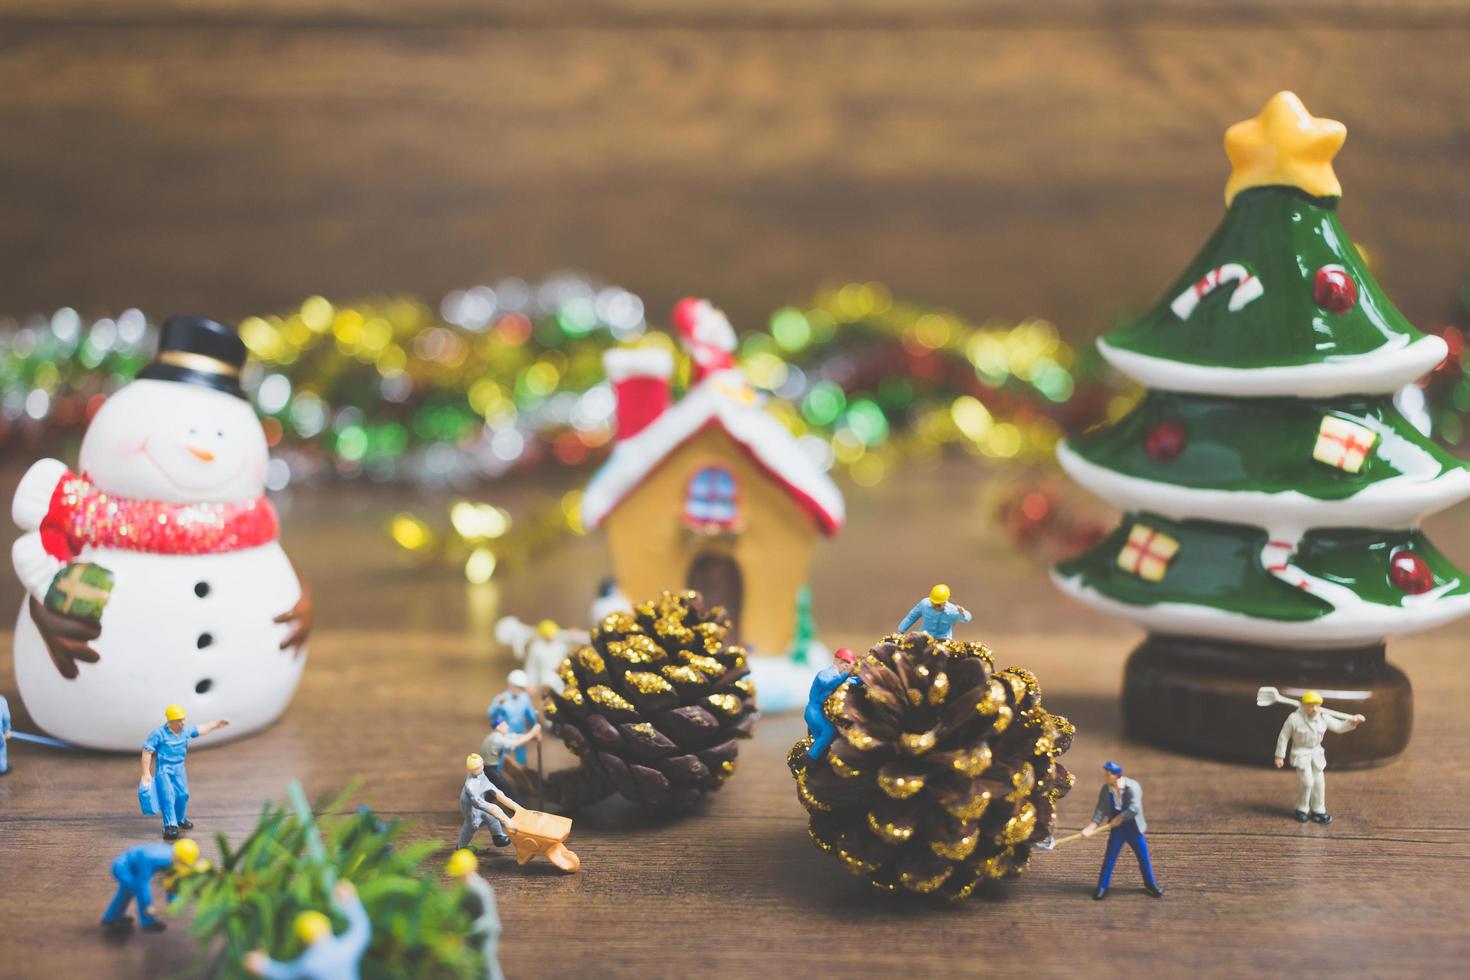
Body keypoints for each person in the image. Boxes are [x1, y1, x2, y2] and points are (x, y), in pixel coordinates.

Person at [244, 881, 370, 980]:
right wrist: (350, 901)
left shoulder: (310, 963)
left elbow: (288, 974)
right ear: (327, 928)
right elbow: (362, 929)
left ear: (304, 940)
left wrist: (264, 966)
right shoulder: (345, 948)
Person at [1274, 689, 1365, 824]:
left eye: (1317, 705)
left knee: (1319, 783)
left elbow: (1339, 727)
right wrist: (1279, 755)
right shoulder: (1295, 719)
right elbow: (1284, 737)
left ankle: (1318, 811)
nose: (1314, 708)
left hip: (1316, 755)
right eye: (1311, 705)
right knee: (1307, 782)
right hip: (1301, 754)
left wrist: (1353, 722)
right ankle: (1301, 809)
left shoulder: (1323, 717)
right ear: (1304, 705)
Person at [140, 704, 230, 839]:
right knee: (168, 795)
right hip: (164, 770)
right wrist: (146, 773)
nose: (182, 722)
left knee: (183, 795)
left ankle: (180, 818)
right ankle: (170, 825)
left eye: (183, 719)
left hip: (179, 768)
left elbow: (200, 729)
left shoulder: (185, 731)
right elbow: (147, 752)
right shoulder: (158, 734)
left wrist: (216, 724)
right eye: (179, 720)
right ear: (171, 721)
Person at [1081, 761, 1163, 901]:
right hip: (1117, 830)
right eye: (1105, 775)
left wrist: (1120, 818)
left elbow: (1134, 807)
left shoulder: (1133, 787)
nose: (1105, 778)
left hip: (1133, 828)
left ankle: (1150, 883)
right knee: (1110, 858)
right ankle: (1102, 886)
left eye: (1107, 775)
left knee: (1143, 856)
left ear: (1116, 775)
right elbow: (1100, 809)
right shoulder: (1106, 790)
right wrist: (1092, 826)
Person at [101, 838, 202, 933]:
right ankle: (148, 922)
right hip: (122, 867)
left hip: (133, 867)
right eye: (182, 862)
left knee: (126, 893)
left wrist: (173, 902)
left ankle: (111, 918)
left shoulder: (174, 856)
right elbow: (143, 883)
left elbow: (171, 880)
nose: (182, 866)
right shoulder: (151, 858)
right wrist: (148, 905)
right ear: (177, 857)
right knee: (137, 889)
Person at [447, 849, 504, 980]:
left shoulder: (481, 890)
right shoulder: (464, 889)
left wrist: (470, 929)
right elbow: (457, 909)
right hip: (471, 933)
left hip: (486, 933)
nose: (458, 878)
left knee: (487, 963)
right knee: (470, 963)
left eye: (461, 874)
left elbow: (489, 919)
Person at [458, 753, 525, 852]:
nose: (476, 770)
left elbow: (497, 793)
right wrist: (506, 821)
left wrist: (518, 809)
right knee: (472, 825)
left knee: (491, 817)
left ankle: (498, 836)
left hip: (481, 805)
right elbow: (479, 803)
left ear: (482, 765)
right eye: (473, 769)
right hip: (471, 810)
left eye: (478, 767)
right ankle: (462, 846)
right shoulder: (471, 785)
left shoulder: (481, 776)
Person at [804, 648, 862, 760]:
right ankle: (809, 759)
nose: (846, 666)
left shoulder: (841, 677)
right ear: (837, 661)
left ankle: (818, 761)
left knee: (823, 740)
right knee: (828, 732)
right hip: (814, 710)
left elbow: (852, 682)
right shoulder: (825, 674)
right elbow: (829, 684)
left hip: (822, 712)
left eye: (848, 664)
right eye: (845, 662)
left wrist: (864, 675)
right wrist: (845, 674)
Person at [487, 670, 538, 766]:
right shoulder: (501, 698)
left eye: (521, 687)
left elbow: (530, 715)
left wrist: (535, 727)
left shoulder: (525, 698)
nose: (518, 689)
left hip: (520, 733)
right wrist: (498, 705)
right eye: (516, 686)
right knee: (501, 759)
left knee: (521, 760)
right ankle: (497, 777)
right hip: (505, 734)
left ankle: (522, 777)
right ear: (510, 685)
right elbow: (491, 714)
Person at [896, 584, 971, 640]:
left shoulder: (952, 610)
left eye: (938, 605)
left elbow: (966, 619)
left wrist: (964, 614)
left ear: (945, 602)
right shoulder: (924, 604)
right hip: (923, 637)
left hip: (943, 640)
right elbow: (911, 617)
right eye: (933, 603)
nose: (934, 606)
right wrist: (901, 630)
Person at [0, 692, 11, 775]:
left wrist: (7, 730)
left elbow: (6, 719)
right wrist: (7, 730)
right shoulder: (2, 701)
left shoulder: (2, 701)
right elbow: (6, 719)